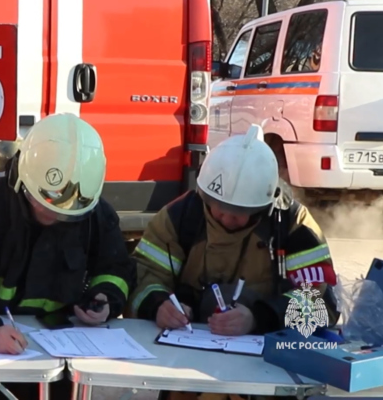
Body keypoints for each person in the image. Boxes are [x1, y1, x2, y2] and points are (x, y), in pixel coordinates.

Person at [0, 113, 137, 400]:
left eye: (68, 211)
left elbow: (117, 268)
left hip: (59, 360)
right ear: (23, 180)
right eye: (46, 201)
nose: (56, 213)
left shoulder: (96, 215)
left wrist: (105, 299)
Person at [128, 124, 340, 400]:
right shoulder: (179, 218)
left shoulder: (293, 226)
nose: (227, 219)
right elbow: (141, 276)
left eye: (240, 213)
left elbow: (321, 304)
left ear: (263, 206)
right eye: (218, 209)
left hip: (266, 378)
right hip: (187, 373)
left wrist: (259, 317)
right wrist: (157, 305)